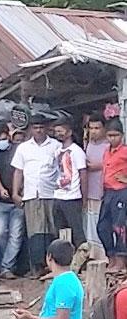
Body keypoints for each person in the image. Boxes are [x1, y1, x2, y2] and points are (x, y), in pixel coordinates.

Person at [11, 115, 61, 276]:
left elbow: (62, 168)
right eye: (35, 127)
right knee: (34, 231)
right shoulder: (23, 148)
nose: (38, 130)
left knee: (52, 229)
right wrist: (15, 192)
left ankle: (54, 266)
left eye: (41, 127)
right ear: (30, 129)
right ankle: (37, 267)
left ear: (47, 128)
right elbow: (18, 171)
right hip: (31, 194)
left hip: (52, 193)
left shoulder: (56, 146)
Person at [0, 121, 23, 275]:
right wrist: (1, 189)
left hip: (19, 200)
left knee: (15, 235)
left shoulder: (18, 150)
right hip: (1, 201)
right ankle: (0, 264)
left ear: (8, 135)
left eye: (2, 138)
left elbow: (21, 171)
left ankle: (6, 266)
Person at [52, 121, 88, 249]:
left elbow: (83, 174)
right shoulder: (57, 151)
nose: (58, 134)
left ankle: (82, 261)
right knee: (60, 233)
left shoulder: (77, 151)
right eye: (56, 131)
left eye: (61, 131)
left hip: (72, 198)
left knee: (77, 231)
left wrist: (84, 197)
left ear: (69, 132)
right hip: (58, 196)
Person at [99, 120, 127, 272]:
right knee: (102, 226)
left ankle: (121, 260)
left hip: (121, 192)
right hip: (108, 192)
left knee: (119, 226)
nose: (112, 138)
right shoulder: (106, 151)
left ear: (122, 136)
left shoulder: (125, 151)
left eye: (115, 135)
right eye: (109, 135)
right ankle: (111, 257)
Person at [84, 114, 109, 255]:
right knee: (91, 223)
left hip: (104, 191)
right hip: (90, 191)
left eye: (97, 128)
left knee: (103, 224)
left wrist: (97, 166)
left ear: (104, 129)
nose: (94, 131)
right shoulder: (89, 145)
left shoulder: (108, 145)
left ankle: (104, 255)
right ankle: (93, 255)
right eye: (91, 128)